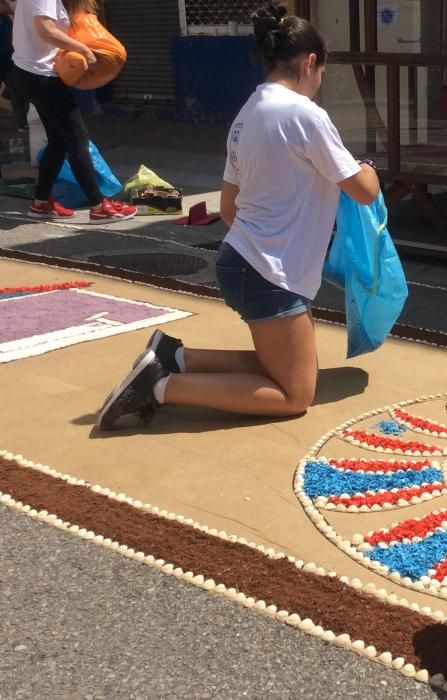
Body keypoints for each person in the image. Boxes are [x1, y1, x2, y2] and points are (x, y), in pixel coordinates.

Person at [95, 3, 379, 431]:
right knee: (294, 393)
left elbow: (228, 208)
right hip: (270, 272)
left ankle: (175, 357)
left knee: (283, 365)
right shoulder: (305, 115)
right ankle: (159, 385)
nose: (319, 84)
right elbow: (362, 190)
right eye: (320, 74)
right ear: (310, 62)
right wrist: (370, 166)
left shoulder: (247, 115)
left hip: (244, 260)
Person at [11, 0, 135, 220]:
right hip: (42, 76)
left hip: (30, 73)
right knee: (78, 139)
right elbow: (46, 30)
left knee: (59, 141)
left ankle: (40, 203)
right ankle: (99, 207)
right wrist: (82, 48)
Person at [0, 0, 29, 132]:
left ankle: (22, 123)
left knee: (18, 92)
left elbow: (9, 8)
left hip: (9, 61)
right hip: (9, 60)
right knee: (17, 92)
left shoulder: (6, 21)